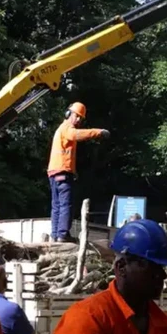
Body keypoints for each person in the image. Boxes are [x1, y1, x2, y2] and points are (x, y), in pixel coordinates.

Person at [47, 102, 109, 243]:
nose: (79, 120)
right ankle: (62, 235)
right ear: (69, 114)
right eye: (77, 116)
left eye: (81, 118)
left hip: (54, 172)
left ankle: (55, 235)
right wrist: (98, 132)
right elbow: (76, 135)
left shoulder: (60, 129)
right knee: (65, 204)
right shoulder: (68, 128)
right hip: (62, 172)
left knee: (56, 205)